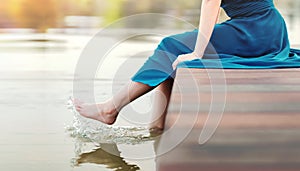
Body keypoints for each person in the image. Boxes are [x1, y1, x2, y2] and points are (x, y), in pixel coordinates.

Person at [74, 0, 300, 131]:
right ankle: (156, 128)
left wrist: (198, 52)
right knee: (173, 56)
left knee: (171, 46)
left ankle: (110, 109)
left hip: (254, 30)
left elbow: (211, 2)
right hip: (268, 29)